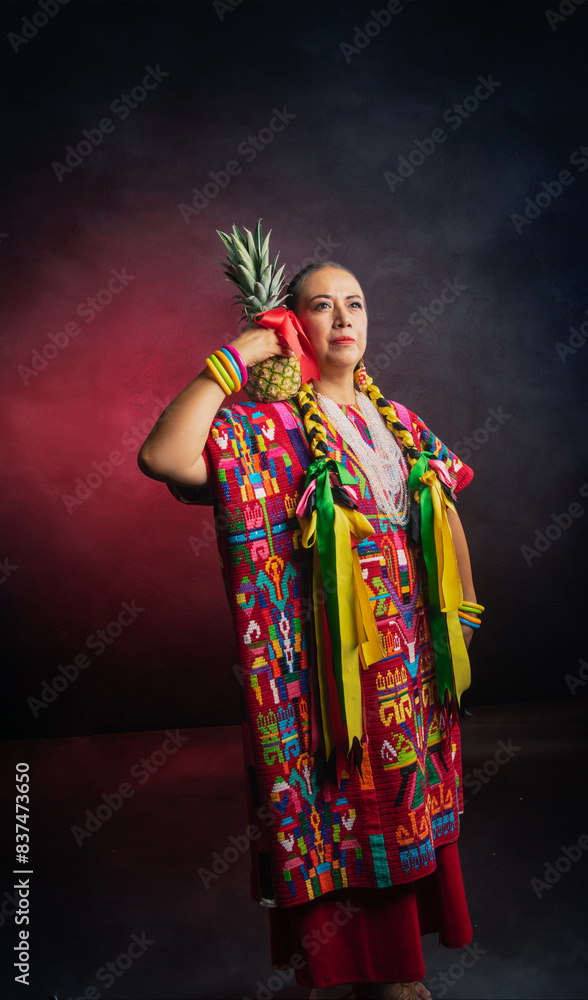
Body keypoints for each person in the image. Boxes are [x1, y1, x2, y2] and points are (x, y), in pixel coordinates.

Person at [138, 261, 482, 1000]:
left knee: (405, 810)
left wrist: (467, 617)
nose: (344, 317)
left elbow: (445, 506)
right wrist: (239, 358)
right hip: (327, 681)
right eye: (321, 306)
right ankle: (362, 973)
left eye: (355, 302)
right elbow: (161, 457)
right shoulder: (269, 431)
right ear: (291, 324)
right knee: (342, 813)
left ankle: (396, 976)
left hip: (412, 669)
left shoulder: (396, 420)